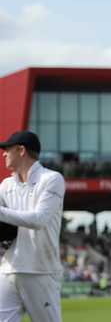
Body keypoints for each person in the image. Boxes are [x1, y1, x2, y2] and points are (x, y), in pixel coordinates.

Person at [0, 130, 65, 322]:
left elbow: (39, 219)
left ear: (21, 150)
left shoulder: (52, 179)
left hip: (40, 271)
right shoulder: (5, 185)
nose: (3, 154)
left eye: (7, 149)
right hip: (8, 268)